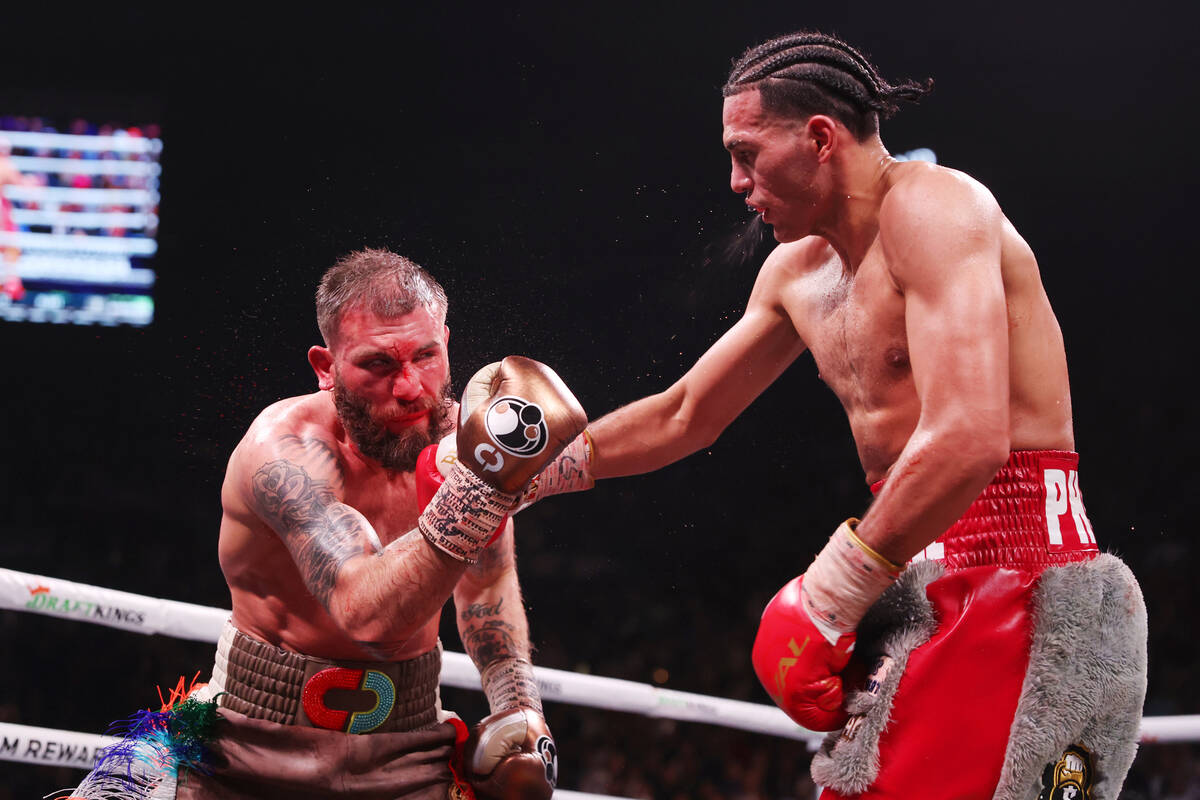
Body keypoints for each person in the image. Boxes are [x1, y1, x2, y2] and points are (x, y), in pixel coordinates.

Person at [554, 32, 1148, 799]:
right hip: (917, 578)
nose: (736, 181)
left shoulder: (937, 208)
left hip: (1023, 577)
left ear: (820, 138)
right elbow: (683, 414)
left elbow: (970, 436)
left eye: (746, 153)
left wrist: (832, 593)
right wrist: (527, 475)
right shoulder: (796, 271)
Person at [67, 249, 586, 800]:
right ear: (326, 367)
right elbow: (363, 609)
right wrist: (475, 503)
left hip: (410, 745)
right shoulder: (284, 452)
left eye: (425, 356)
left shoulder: (471, 447)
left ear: (446, 344)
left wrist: (518, 707)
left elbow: (486, 585)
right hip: (242, 739)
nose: (410, 386)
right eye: (378, 364)